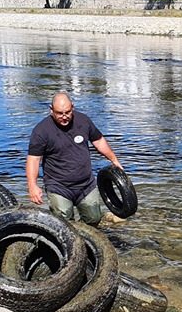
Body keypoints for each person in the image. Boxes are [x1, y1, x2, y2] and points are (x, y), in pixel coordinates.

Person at [26, 91, 122, 226]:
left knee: (93, 219)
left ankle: (85, 239)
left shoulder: (83, 121)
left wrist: (114, 160)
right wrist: (32, 186)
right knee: (64, 224)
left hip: (86, 184)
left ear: (73, 107)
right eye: (60, 113)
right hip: (58, 186)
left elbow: (99, 141)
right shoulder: (41, 131)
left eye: (67, 112)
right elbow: (34, 159)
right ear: (51, 110)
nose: (64, 117)